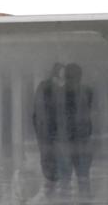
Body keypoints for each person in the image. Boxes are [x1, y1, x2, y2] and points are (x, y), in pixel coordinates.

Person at [32, 64, 67, 198]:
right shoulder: (46, 87)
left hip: (48, 130)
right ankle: (50, 185)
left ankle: (50, 186)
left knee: (50, 155)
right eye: (61, 73)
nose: (63, 77)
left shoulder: (49, 87)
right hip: (47, 130)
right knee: (48, 155)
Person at [62, 64, 94, 198]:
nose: (72, 80)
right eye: (70, 77)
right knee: (79, 178)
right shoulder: (86, 92)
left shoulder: (86, 92)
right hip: (75, 140)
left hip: (78, 140)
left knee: (80, 178)